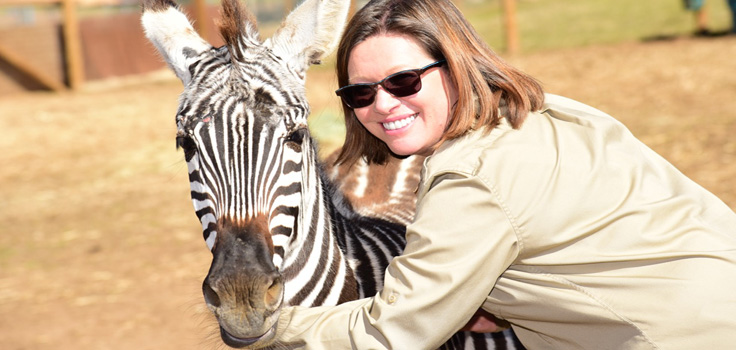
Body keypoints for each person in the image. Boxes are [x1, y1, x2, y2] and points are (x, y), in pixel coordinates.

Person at [274, 0, 736, 348]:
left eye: (403, 82)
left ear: (453, 66)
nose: (383, 104)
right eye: (360, 92)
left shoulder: (472, 178)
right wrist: (499, 300)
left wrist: (270, 326)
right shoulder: (545, 113)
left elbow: (393, 334)